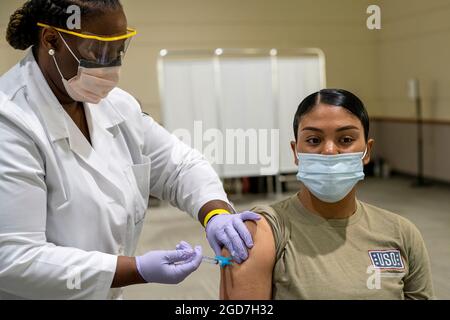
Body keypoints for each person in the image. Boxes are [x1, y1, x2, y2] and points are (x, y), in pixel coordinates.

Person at [0, 0, 259, 300]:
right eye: (96, 51)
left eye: (118, 50)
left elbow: (180, 166)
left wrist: (215, 212)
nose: (109, 65)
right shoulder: (11, 119)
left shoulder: (117, 106)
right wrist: (136, 269)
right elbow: (14, 257)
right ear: (51, 39)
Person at [220, 89, 435, 300]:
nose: (330, 151)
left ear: (367, 152)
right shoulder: (261, 231)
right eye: (314, 140)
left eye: (346, 139)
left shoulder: (401, 234)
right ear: (295, 152)